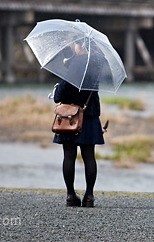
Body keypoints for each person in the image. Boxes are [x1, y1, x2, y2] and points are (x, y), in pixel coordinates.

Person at [53, 39, 104, 207]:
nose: (74, 47)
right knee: (89, 156)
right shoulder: (96, 62)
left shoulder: (78, 63)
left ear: (81, 46)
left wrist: (56, 92)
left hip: (70, 116)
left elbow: (66, 86)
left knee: (69, 155)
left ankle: (70, 195)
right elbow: (75, 69)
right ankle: (89, 196)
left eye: (75, 45)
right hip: (89, 114)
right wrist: (67, 52)